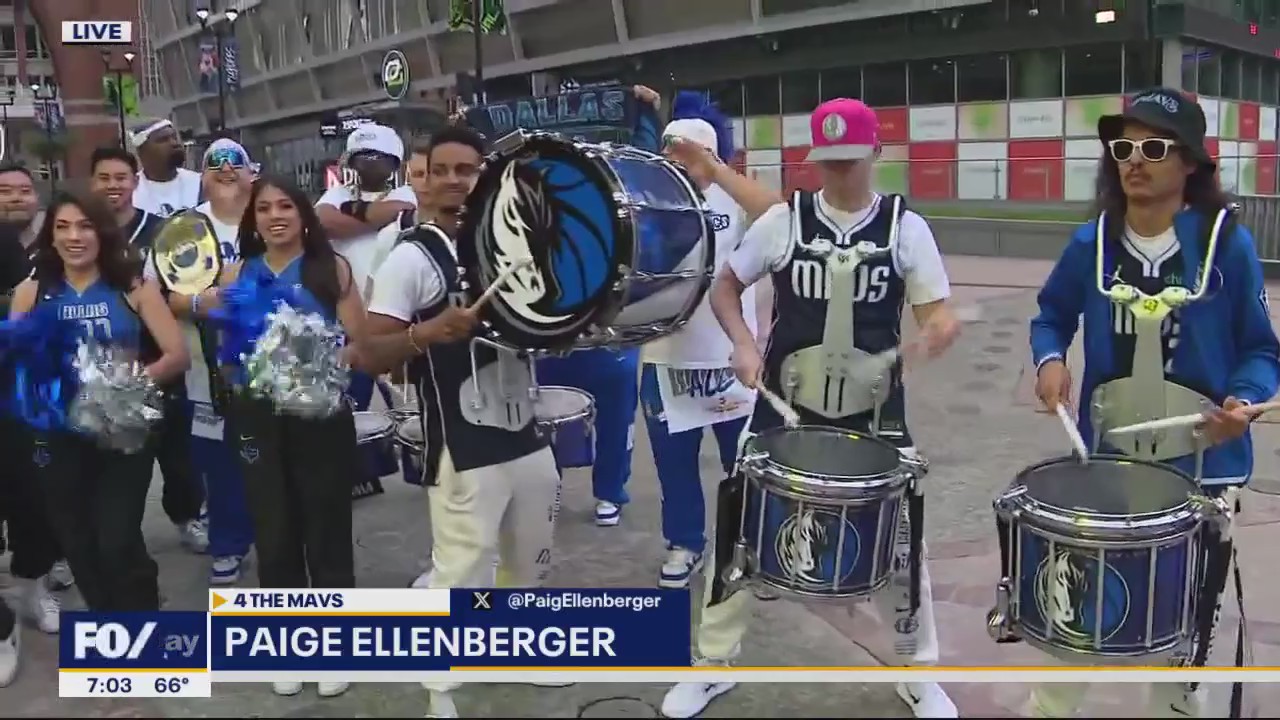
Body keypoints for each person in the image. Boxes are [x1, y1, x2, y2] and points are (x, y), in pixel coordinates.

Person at [659, 98, 962, 719]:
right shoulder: (781, 222)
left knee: (903, 543)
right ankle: (711, 664)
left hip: (876, 416)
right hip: (782, 408)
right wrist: (743, 343)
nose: (838, 174)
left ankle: (917, 670)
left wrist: (936, 332)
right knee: (738, 532)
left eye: (850, 161)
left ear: (877, 154)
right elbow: (725, 286)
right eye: (828, 163)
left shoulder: (907, 228)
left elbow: (937, 313)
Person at [1027, 88, 1280, 718]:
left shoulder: (1227, 247)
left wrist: (1241, 400)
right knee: (1084, 606)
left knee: (1185, 629)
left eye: (1154, 147)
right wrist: (1051, 359)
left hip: (1201, 469)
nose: (1134, 161)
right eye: (1123, 147)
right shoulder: (1092, 244)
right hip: (1110, 464)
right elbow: (1051, 316)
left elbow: (1260, 350)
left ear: (1190, 161)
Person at [361, 126, 565, 719]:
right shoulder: (410, 257)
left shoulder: (510, 245)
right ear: (420, 178)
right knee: (461, 569)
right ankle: (439, 688)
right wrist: (426, 332)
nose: (455, 181)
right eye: (441, 170)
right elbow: (371, 351)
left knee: (529, 559)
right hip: (461, 437)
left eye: (467, 171)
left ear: (486, 177)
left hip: (524, 426)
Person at [213, 175, 365, 699]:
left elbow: (361, 345)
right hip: (257, 419)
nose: (275, 215)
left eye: (285, 206)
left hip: (320, 415)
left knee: (324, 527)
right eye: (263, 208)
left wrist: (313, 364)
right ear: (251, 218)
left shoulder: (332, 270)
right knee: (273, 530)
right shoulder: (237, 272)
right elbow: (227, 351)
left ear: (303, 214)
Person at [9, 191, 190, 611]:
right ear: (49, 235)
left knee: (117, 536)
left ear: (102, 233)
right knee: (77, 542)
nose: (75, 236)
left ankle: (143, 612)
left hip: (123, 433)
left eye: (85, 225)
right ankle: (106, 626)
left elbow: (176, 356)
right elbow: (15, 362)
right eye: (63, 227)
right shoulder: (32, 292)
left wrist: (123, 385)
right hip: (58, 438)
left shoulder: (133, 287)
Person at [639, 93, 779, 588]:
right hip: (665, 359)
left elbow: (781, 215)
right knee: (674, 467)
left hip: (731, 361)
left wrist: (716, 173)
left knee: (741, 466)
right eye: (671, 152)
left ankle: (750, 547)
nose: (679, 163)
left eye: (690, 153)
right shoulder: (648, 199)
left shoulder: (733, 201)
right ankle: (685, 542)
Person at [531, 84, 665, 527]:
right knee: (542, 414)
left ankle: (611, 490)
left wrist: (646, 111)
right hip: (551, 332)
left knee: (615, 417)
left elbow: (646, 162)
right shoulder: (538, 204)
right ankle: (543, 489)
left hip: (611, 336)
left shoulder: (623, 197)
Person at [147, 139, 256, 585]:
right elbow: (155, 295)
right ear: (202, 178)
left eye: (236, 165)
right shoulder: (182, 230)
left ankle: (281, 541)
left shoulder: (273, 217)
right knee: (219, 462)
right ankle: (228, 545)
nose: (227, 171)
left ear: (252, 173)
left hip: (274, 368)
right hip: (203, 374)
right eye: (216, 166)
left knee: (276, 462)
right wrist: (198, 303)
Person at [90, 145, 208, 557]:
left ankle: (187, 515)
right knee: (114, 459)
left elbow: (188, 287)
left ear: (135, 183)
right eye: (104, 178)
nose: (113, 186)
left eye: (120, 178)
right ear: (92, 183)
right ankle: (112, 538)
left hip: (160, 355)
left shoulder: (162, 231)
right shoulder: (81, 233)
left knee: (176, 452)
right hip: (104, 363)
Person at [315, 122, 413, 489]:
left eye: (379, 157)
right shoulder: (334, 194)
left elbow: (401, 211)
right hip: (348, 318)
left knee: (407, 400)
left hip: (397, 313)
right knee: (349, 399)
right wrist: (374, 216)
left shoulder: (409, 192)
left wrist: (353, 218)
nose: (370, 164)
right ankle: (357, 473)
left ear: (394, 161)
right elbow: (323, 221)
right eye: (362, 156)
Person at [0, 164, 60, 635]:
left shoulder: (15, 243)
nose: (15, 198)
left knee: (30, 498)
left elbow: (31, 309)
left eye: (23, 190)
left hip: (17, 395)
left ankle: (31, 587)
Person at [129, 119, 202, 218]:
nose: (174, 143)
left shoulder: (200, 183)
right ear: (142, 152)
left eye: (174, 137)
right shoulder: (131, 190)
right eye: (163, 140)